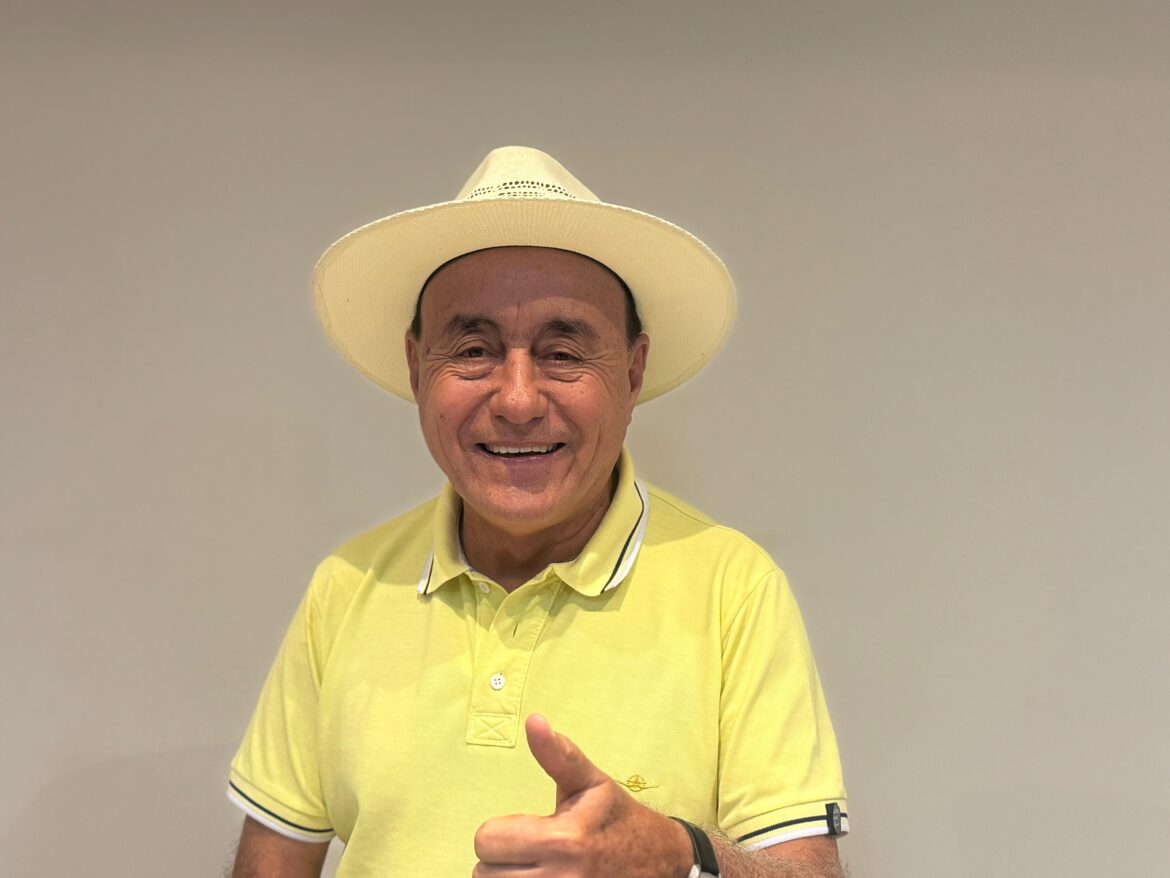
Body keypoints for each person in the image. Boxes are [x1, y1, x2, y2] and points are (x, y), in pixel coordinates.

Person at [227, 146, 849, 878]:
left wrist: (676, 857)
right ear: (416, 368)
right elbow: (271, 862)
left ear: (633, 371)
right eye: (473, 350)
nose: (518, 400)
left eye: (563, 353)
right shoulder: (347, 585)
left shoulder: (733, 588)